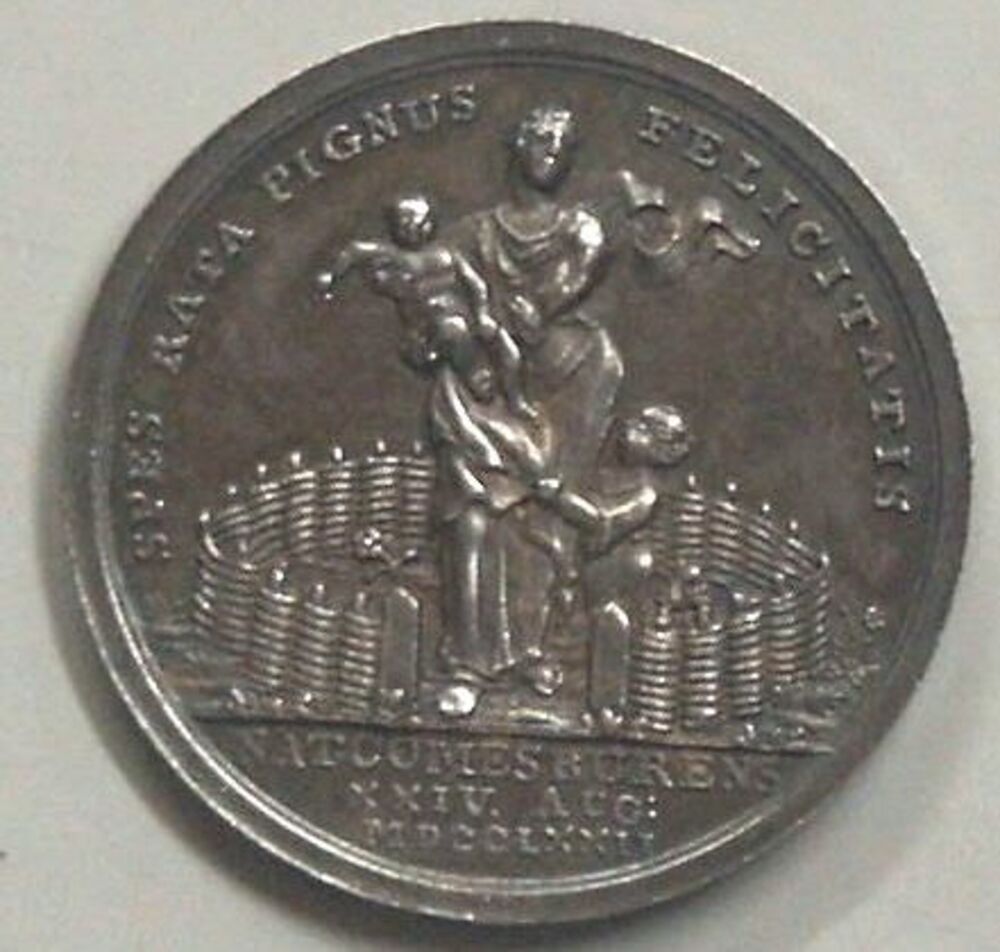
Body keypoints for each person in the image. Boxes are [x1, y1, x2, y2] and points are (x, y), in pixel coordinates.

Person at [317, 193, 536, 419]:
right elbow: (355, 251)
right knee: (453, 329)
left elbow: (477, 285)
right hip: (429, 332)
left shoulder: (447, 256)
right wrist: (332, 275)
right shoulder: (393, 257)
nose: (410, 227)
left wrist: (483, 314)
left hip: (471, 320)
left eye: (416, 221)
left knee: (508, 350)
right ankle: (476, 374)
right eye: (403, 222)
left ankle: (517, 400)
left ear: (429, 224)